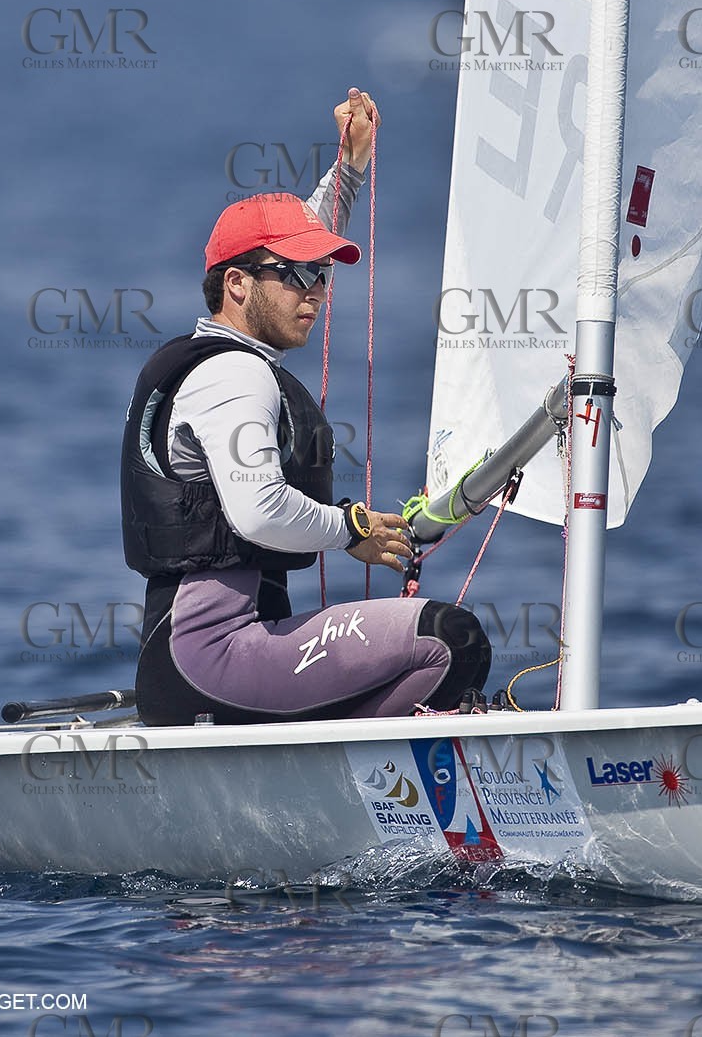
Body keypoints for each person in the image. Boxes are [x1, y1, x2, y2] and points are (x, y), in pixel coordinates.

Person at [121, 88, 492, 727]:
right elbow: (260, 510)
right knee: (447, 636)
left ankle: (360, 790)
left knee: (430, 657)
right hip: (215, 655)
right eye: (296, 277)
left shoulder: (229, 357)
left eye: (321, 276)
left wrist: (347, 171)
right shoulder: (233, 377)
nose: (315, 291)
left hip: (223, 655)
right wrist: (350, 529)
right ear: (235, 284)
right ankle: (401, 804)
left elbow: (299, 243)